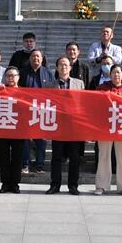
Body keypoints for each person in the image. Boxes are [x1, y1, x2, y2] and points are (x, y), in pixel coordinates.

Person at [46, 57, 85, 196]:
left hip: (74, 126)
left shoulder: (79, 84)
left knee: (74, 157)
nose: (64, 67)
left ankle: (73, 185)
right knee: (56, 157)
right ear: (57, 68)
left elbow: (83, 103)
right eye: (61, 65)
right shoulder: (50, 85)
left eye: (66, 65)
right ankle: (55, 185)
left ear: (70, 67)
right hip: (58, 126)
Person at [95, 64, 122, 195]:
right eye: (114, 72)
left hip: (121, 128)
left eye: (118, 72)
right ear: (110, 75)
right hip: (105, 127)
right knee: (103, 156)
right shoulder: (102, 88)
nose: (116, 75)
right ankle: (101, 185)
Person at [19, 49, 54, 173]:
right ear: (29, 59)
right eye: (33, 56)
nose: (36, 59)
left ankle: (40, 165)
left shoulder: (48, 73)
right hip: (26, 110)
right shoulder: (22, 72)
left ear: (42, 59)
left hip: (42, 111)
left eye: (38, 56)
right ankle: (25, 164)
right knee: (25, 139)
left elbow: (52, 92)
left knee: (41, 140)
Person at [0, 66, 25, 193]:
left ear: (18, 77)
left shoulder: (25, 93)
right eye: (8, 75)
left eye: (13, 75)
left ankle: (15, 184)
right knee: (3, 157)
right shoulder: (0, 91)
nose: (11, 78)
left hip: (19, 130)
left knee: (17, 157)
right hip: (3, 128)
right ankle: (5, 183)